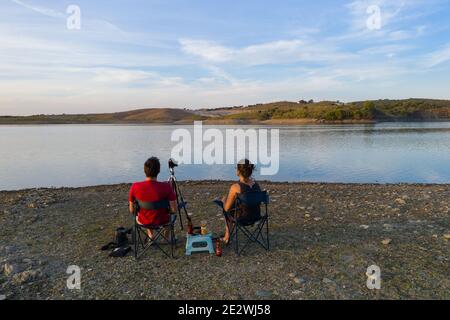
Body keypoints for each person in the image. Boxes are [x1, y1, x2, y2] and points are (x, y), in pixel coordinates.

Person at [129, 157, 177, 239]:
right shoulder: (166, 187)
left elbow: (132, 210)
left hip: (143, 221)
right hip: (163, 221)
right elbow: (174, 210)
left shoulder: (135, 186)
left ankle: (151, 236)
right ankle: (166, 237)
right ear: (158, 171)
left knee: (146, 212)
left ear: (145, 171)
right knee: (170, 216)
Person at [221, 159, 262, 244]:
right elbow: (257, 202)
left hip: (242, 219)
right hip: (256, 216)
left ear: (239, 171)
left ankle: (227, 236)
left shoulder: (236, 187)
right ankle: (227, 236)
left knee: (226, 208)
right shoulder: (256, 185)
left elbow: (226, 208)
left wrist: (223, 201)